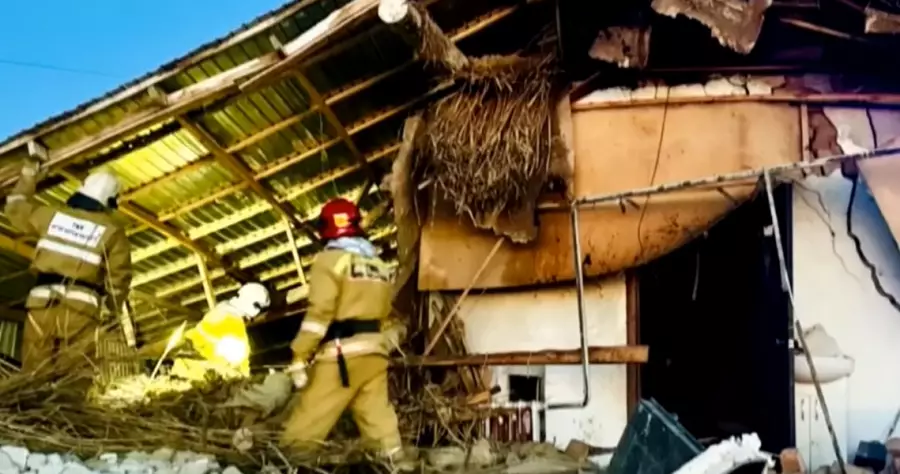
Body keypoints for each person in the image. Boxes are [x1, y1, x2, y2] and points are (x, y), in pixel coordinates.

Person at [280, 197, 410, 467]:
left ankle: (287, 465)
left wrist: (300, 355)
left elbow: (320, 313)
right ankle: (395, 464)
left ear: (325, 229)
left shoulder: (329, 260)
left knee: (310, 417)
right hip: (376, 352)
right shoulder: (378, 266)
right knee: (377, 419)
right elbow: (386, 310)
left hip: (343, 355)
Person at [5, 161, 131, 372]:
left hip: (42, 304)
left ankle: (33, 404)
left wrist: (28, 177)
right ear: (110, 201)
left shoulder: (51, 215)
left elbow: (15, 207)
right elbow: (119, 279)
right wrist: (112, 308)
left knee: (34, 374)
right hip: (81, 311)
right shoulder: (113, 232)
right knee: (74, 376)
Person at [144, 282, 272, 381]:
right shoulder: (234, 324)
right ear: (255, 308)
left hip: (183, 367)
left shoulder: (221, 309)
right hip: (198, 378)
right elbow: (240, 365)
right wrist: (248, 380)